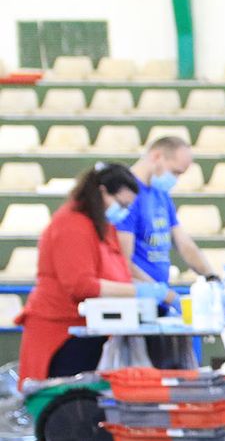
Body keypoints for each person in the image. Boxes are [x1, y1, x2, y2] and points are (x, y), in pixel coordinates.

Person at [17, 163, 173, 382]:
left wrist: (153, 291)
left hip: (92, 329)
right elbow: (82, 285)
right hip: (62, 333)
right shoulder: (71, 225)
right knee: (68, 400)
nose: (123, 211)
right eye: (121, 204)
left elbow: (119, 271)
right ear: (102, 192)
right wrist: (141, 292)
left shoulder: (103, 227)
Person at [119, 136, 216, 294]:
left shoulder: (161, 194)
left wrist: (211, 276)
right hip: (140, 295)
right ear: (157, 156)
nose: (175, 179)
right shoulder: (126, 195)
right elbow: (122, 260)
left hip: (160, 291)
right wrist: (159, 292)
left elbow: (183, 243)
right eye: (175, 172)